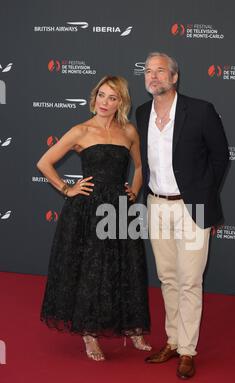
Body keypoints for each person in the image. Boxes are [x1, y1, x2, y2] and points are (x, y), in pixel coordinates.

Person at [37, 75, 151, 361]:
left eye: (112, 97)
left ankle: (133, 329)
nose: (105, 102)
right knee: (92, 268)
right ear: (94, 96)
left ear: (120, 102)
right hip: (88, 210)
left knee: (127, 265)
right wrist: (67, 188)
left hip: (120, 209)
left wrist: (134, 192)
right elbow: (44, 162)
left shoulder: (129, 132)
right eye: (101, 95)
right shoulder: (80, 131)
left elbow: (139, 167)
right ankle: (89, 334)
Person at [136, 52, 229, 379]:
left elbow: (221, 157)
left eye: (160, 71)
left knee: (190, 280)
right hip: (156, 205)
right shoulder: (142, 112)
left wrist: (203, 195)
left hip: (192, 206)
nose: (153, 76)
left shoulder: (200, 111)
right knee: (168, 277)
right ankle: (173, 340)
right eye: (148, 71)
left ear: (174, 77)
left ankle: (188, 350)